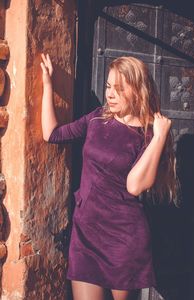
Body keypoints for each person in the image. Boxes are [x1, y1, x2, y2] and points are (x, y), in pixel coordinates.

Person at [40, 54, 177, 300]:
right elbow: (52, 134)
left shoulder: (148, 134)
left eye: (118, 89)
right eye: (107, 87)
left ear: (137, 91)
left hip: (123, 239)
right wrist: (48, 85)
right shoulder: (97, 118)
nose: (110, 94)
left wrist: (159, 138)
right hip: (86, 232)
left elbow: (134, 186)